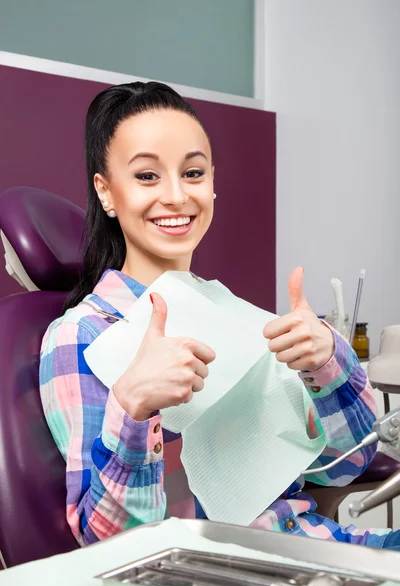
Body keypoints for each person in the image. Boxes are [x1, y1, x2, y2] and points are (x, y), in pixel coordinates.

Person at [39, 81, 399, 550]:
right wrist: (132, 408)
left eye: (193, 173)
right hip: (219, 570)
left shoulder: (233, 315)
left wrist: (327, 363)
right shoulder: (82, 336)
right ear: (107, 193)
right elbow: (110, 542)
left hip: (313, 544)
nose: (176, 196)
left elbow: (345, 465)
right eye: (147, 176)